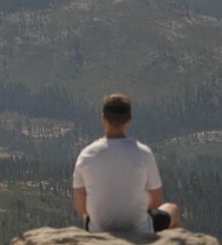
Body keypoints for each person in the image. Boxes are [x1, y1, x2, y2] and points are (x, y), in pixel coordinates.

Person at [73, 93, 179, 234]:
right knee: (172, 209)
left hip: (99, 231)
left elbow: (81, 207)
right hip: (139, 230)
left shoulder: (86, 155)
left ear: (103, 119)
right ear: (129, 120)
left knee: (87, 216)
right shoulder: (143, 153)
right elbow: (157, 200)